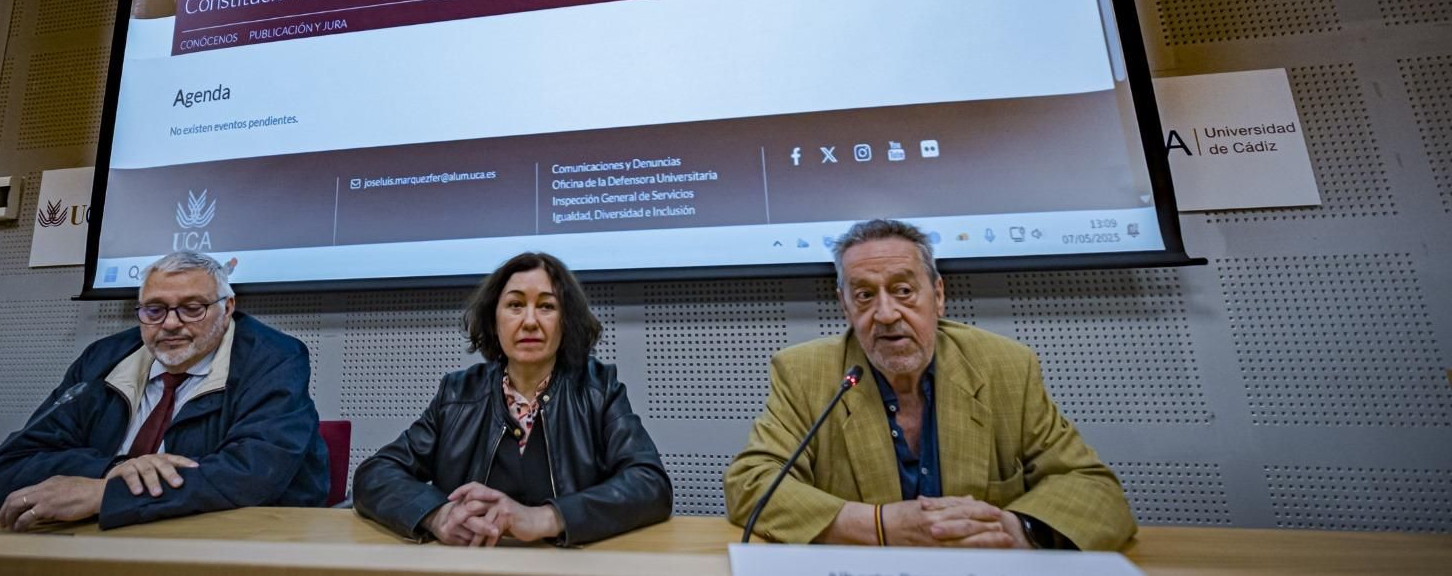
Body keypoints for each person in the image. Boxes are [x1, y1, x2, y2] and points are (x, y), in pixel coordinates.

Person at [725, 219, 1136, 550]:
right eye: (865, 296)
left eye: (903, 290)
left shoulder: (1005, 366)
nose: (885, 313)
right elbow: (752, 485)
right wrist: (881, 526)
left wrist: (1013, 529)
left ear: (937, 295)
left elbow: (1093, 488)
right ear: (845, 306)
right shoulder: (805, 372)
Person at [0, 252, 329, 530]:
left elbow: (252, 475)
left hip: (231, 543)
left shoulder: (273, 358)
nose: (171, 323)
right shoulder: (103, 361)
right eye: (154, 310)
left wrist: (105, 495)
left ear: (227, 309)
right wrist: (114, 469)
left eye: (192, 308)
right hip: (102, 541)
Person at [353, 251, 671, 545]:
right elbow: (375, 474)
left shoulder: (598, 390)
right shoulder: (458, 394)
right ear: (495, 320)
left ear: (565, 321)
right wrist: (437, 515)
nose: (530, 321)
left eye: (546, 306)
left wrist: (547, 518)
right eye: (515, 305)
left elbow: (651, 484)